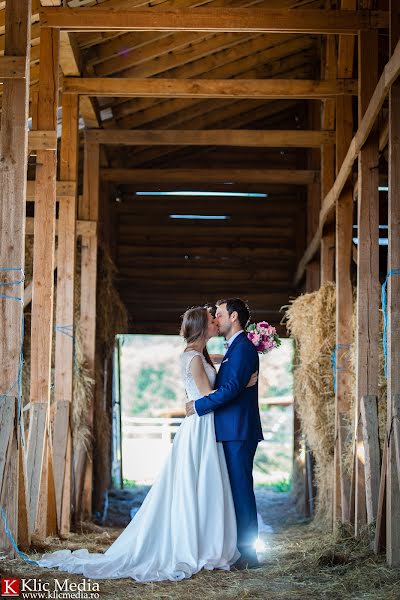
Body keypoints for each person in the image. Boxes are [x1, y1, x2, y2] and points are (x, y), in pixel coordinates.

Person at [35, 306, 257, 583]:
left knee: (206, 483)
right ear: (203, 327)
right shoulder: (193, 358)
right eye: (213, 319)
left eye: (218, 316)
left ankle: (208, 538)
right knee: (197, 483)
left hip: (206, 424)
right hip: (200, 425)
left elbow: (222, 368)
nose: (216, 321)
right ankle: (199, 543)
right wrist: (242, 385)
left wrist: (237, 367)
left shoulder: (200, 354)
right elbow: (208, 395)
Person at [186, 298, 263, 569]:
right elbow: (231, 384)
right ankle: (234, 548)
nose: (215, 319)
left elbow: (229, 390)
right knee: (231, 491)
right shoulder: (233, 348)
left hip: (238, 431)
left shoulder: (243, 348)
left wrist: (197, 406)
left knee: (241, 491)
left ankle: (249, 554)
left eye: (218, 315)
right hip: (228, 429)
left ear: (233, 317)